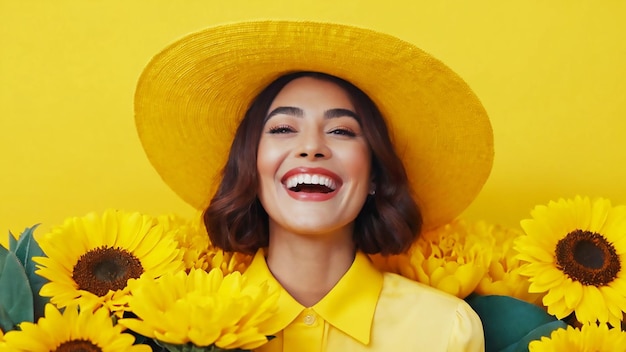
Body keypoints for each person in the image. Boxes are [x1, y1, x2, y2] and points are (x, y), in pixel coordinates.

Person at [134, 20, 493, 351]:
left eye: (341, 131)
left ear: (374, 176)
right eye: (283, 129)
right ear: (250, 166)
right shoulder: (178, 325)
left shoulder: (446, 330)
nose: (311, 147)